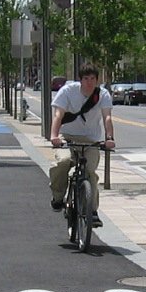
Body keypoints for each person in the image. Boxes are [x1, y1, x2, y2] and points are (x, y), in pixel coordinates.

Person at [48, 66, 115, 227]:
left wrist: (109, 138)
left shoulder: (102, 95)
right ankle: (58, 197)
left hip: (90, 140)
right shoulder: (67, 91)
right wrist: (54, 136)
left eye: (93, 79)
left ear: (97, 80)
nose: (89, 82)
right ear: (80, 80)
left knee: (90, 172)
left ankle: (92, 211)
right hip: (67, 137)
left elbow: (107, 118)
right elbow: (58, 115)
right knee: (63, 163)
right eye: (86, 79)